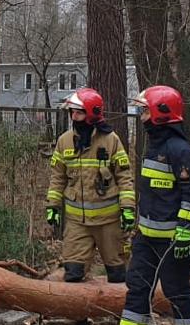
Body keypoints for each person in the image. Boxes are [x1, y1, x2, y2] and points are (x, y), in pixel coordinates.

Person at [90, 85, 190, 325]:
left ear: (160, 112)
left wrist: (184, 232)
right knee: (138, 287)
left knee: (177, 290)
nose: (141, 115)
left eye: (144, 109)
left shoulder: (180, 151)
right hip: (147, 237)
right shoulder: (155, 146)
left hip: (173, 239)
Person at [45, 88, 135, 284]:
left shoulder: (111, 140)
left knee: (118, 274)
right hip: (77, 223)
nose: (74, 117)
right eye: (72, 113)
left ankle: (118, 314)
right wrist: (53, 205)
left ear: (92, 114)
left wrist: (128, 207)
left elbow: (124, 177)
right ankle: (78, 315)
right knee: (73, 273)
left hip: (108, 222)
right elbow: (57, 177)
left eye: (79, 112)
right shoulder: (64, 141)